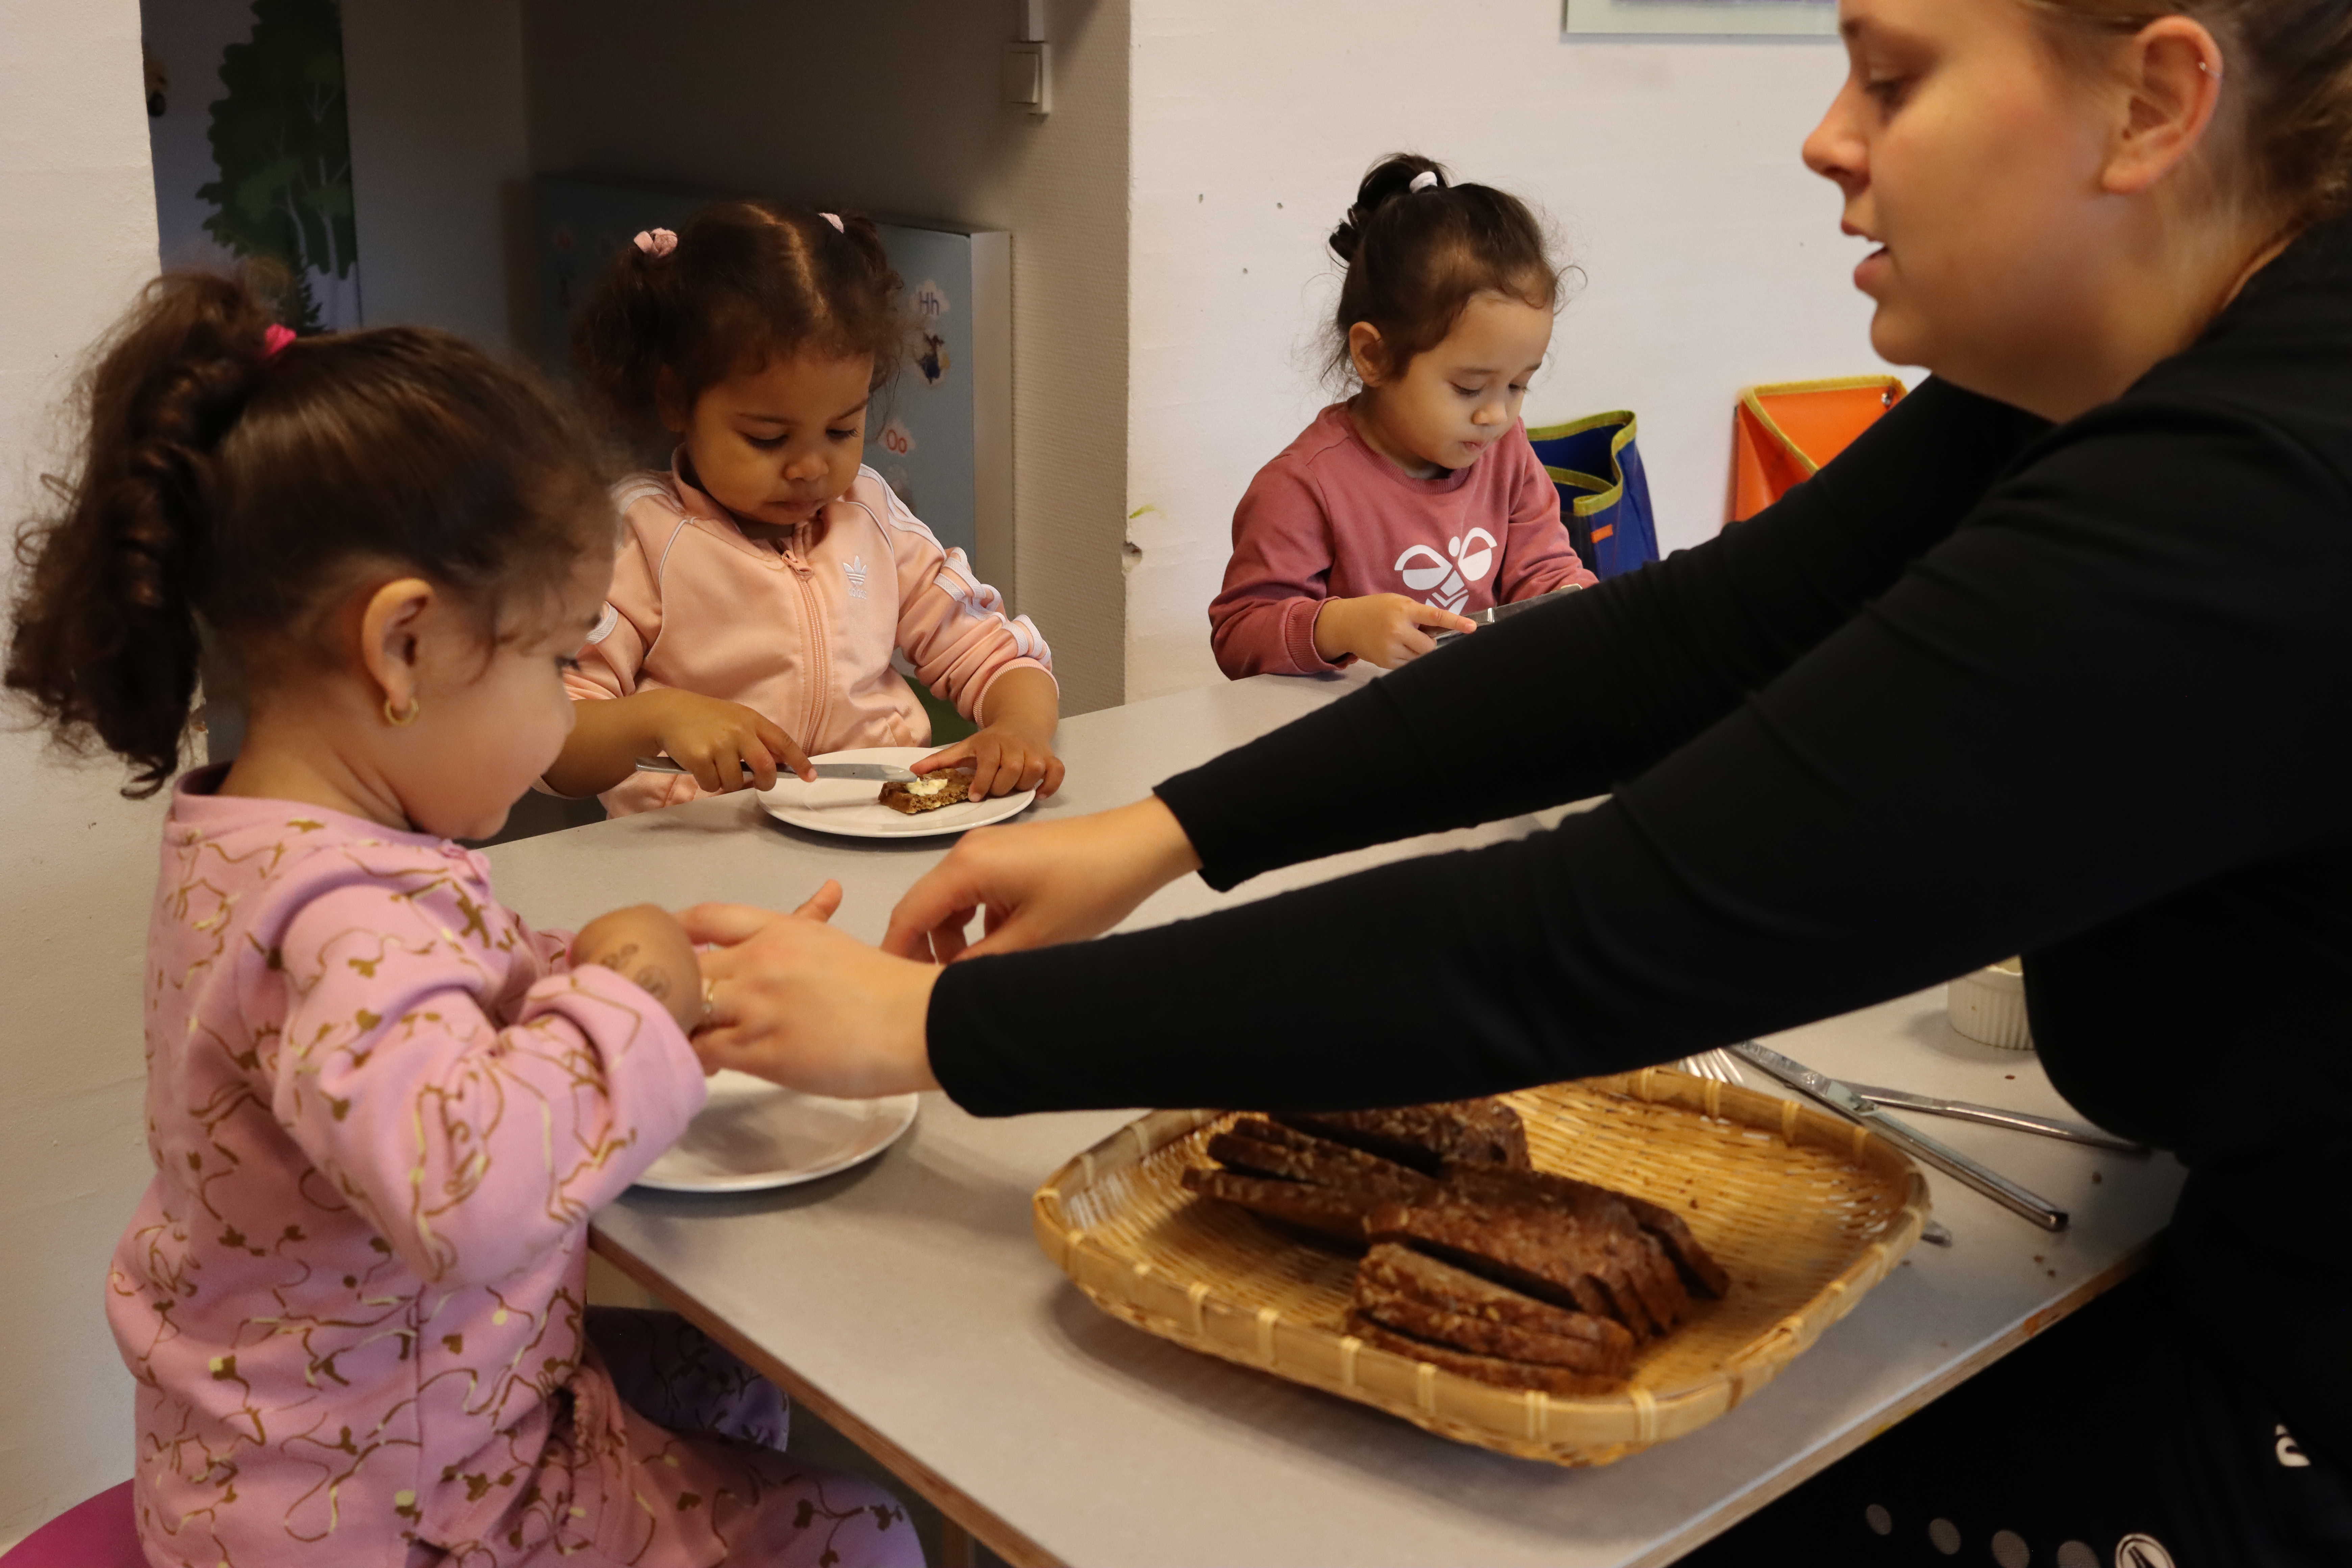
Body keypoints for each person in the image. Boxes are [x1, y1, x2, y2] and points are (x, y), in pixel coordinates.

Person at [672, 0, 2352, 1562]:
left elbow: (1596, 931)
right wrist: (1166, 829)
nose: (1828, 137)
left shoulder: (2265, 480)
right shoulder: (2100, 372)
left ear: (2155, 103)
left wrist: (932, 1032)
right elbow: (1698, 640)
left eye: (1895, 77)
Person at [1, 272, 920, 1568]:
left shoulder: (275, 843)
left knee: (724, 1384)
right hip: (390, 1511)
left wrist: (626, 970)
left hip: (306, 1437)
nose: (566, 712)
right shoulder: (334, 917)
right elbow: (469, 1191)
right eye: (555, 661)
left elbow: (427, 1001)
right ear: (404, 649)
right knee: (862, 1529)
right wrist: (630, 1000)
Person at [544, 199, 1061, 817]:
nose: (812, 469)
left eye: (842, 431)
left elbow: (996, 655)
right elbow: (549, 741)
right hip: (699, 853)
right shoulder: (637, 537)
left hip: (875, 829)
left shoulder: (867, 512)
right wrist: (655, 719)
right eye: (768, 439)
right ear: (676, 400)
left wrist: (1019, 731)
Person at [1207, 154, 1596, 679]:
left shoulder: (1506, 451)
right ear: (1375, 356)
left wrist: (1599, 618)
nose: (1496, 414)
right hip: (1354, 737)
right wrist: (1339, 626)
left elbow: (1546, 574)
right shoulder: (1304, 486)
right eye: (1468, 387)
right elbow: (1238, 635)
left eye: (1519, 385)